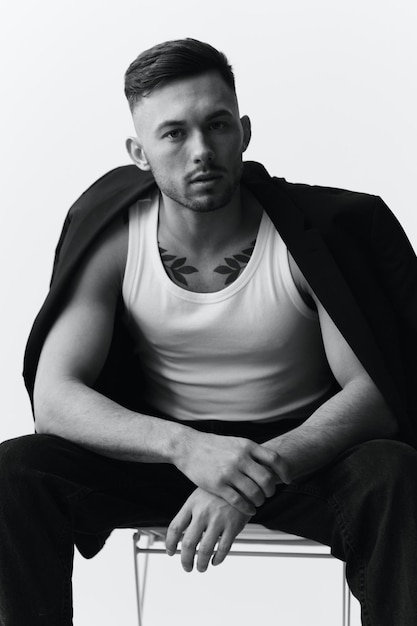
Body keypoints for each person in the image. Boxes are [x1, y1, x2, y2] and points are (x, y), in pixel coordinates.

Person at [1, 38, 417, 626]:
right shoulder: (117, 240)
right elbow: (55, 398)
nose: (201, 150)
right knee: (15, 474)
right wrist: (187, 447)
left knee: (394, 472)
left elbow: (372, 397)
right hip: (165, 456)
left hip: (302, 455)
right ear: (138, 152)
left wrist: (242, 477)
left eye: (217, 125)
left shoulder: (307, 236)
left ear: (243, 131)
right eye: (173, 133)